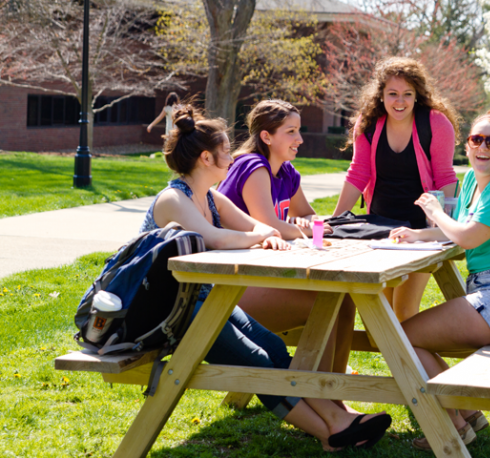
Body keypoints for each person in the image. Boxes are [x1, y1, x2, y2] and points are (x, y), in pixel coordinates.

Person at [140, 104, 392, 451]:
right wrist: (264, 234)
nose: (232, 156)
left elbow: (258, 225)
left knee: (272, 346)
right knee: (257, 362)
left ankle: (337, 418)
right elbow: (217, 238)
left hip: (203, 298)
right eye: (226, 150)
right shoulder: (173, 199)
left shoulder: (209, 198)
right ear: (205, 159)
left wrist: (267, 232)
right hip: (167, 313)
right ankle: (331, 431)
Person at [389, 107, 490, 450]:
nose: (483, 147)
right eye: (476, 139)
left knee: (399, 339)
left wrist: (435, 212)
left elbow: (467, 237)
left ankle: (454, 426)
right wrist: (418, 235)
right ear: (467, 145)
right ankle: (469, 412)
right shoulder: (473, 179)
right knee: (404, 336)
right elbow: (454, 231)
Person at [217, 99, 356, 379]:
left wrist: (299, 223)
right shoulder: (252, 166)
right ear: (266, 137)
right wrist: (297, 227)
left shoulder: (287, 172)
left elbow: (311, 217)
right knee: (326, 306)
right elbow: (268, 225)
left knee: (346, 299)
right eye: (291, 131)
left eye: (299, 130)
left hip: (262, 275)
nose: (300, 139)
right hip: (230, 287)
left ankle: (333, 388)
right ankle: (318, 395)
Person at [332, 56, 460, 323]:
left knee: (403, 313)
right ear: (380, 95)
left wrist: (445, 227)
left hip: (419, 229)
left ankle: (418, 364)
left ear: (417, 96)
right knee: (381, 316)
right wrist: (335, 221)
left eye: (407, 94)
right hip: (380, 227)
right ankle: (405, 363)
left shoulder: (436, 123)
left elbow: (445, 176)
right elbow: (358, 173)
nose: (399, 101)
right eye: (392, 94)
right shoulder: (367, 124)